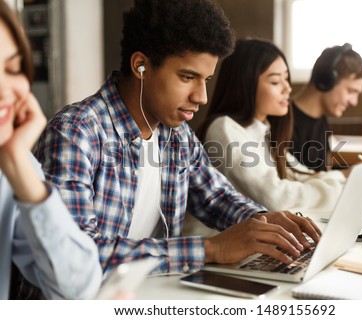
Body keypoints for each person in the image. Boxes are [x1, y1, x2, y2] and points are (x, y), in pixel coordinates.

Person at [35, 0, 321, 275]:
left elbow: (216, 197)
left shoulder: (175, 134)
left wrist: (265, 223)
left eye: (205, 80)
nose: (201, 97)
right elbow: (74, 256)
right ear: (140, 66)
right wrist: (210, 249)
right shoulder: (76, 133)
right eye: (187, 77)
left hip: (151, 292)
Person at [0, 0, 101, 299]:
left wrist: (18, 166)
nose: (6, 90)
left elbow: (77, 290)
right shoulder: (79, 127)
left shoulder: (11, 164)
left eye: (13, 68)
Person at [198, 38, 345, 214]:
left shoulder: (264, 130)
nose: (287, 89)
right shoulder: (224, 128)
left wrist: (341, 177)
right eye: (275, 82)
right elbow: (276, 198)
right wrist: (339, 185)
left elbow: (301, 174)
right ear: (246, 84)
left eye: (287, 79)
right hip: (216, 238)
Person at [290, 44, 362, 171]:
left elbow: (324, 176)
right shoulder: (283, 123)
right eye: (351, 91)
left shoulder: (321, 120)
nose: (354, 102)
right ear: (326, 80)